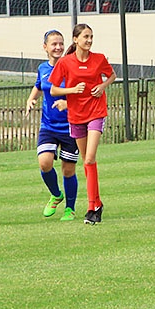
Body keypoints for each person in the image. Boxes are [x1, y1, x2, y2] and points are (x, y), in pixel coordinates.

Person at [49, 24, 116, 225]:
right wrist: (71, 91)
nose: (89, 40)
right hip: (76, 116)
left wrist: (102, 86)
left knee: (89, 159)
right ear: (75, 39)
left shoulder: (99, 59)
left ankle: (92, 208)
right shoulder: (65, 63)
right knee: (87, 162)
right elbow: (53, 90)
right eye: (85, 37)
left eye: (91, 37)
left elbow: (111, 75)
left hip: (96, 112)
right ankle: (97, 202)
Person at [25, 29, 79, 221]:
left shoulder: (71, 66)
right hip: (48, 125)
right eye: (54, 44)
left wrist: (68, 103)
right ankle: (56, 194)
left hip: (72, 126)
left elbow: (82, 93)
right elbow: (39, 85)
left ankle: (70, 208)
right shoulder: (43, 68)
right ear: (45, 47)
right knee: (44, 162)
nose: (58, 47)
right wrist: (31, 99)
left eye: (60, 44)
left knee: (68, 169)